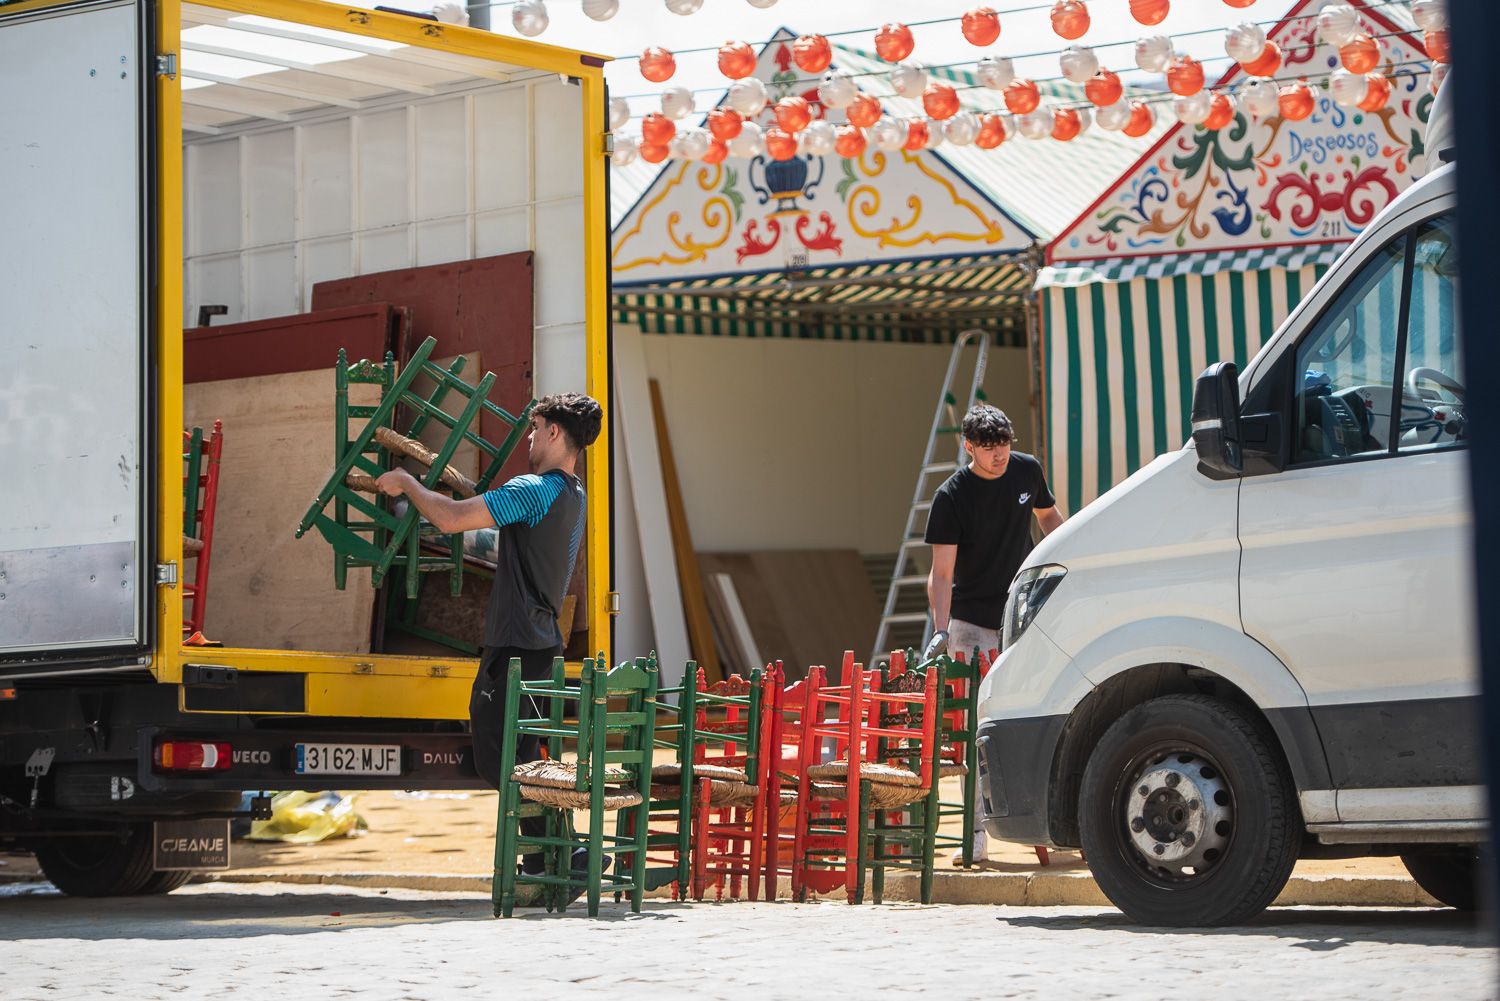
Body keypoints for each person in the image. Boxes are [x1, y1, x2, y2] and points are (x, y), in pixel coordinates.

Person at [376, 391, 602, 878]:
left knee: (497, 756)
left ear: (555, 433)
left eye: (534, 429)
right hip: (543, 643)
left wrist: (408, 484)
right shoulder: (572, 494)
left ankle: (568, 849)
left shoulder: (532, 488)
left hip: (517, 644)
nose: (529, 438)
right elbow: (505, 543)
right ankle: (550, 856)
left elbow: (453, 519)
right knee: (524, 756)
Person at [923, 403, 1065, 865]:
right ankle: (975, 834)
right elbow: (941, 573)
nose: (999, 453)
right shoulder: (951, 496)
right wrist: (941, 630)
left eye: (1004, 443)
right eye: (988, 446)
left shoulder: (1027, 472)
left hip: (1021, 612)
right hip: (969, 618)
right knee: (972, 727)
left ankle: (1051, 824)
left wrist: (1066, 570)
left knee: (1038, 710)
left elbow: (1050, 521)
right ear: (968, 446)